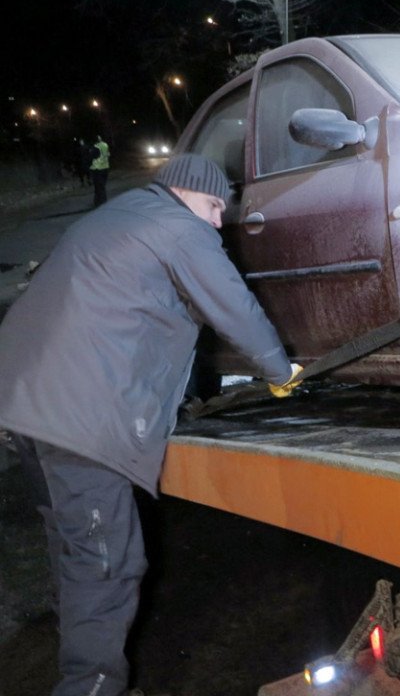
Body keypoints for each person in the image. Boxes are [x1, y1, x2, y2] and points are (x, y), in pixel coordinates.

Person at [0, 153, 303, 696]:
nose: (217, 222)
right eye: (214, 207)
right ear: (188, 193)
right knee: (107, 567)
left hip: (29, 412)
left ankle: (86, 673)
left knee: (75, 556)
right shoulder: (177, 227)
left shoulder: (119, 216)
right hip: (80, 421)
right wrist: (280, 371)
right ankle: (91, 687)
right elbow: (231, 305)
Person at [90, 133, 111, 206]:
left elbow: (93, 157)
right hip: (106, 168)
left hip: (97, 169)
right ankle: (101, 201)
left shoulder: (95, 147)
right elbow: (108, 154)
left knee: (99, 187)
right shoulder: (105, 145)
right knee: (102, 186)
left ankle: (101, 202)